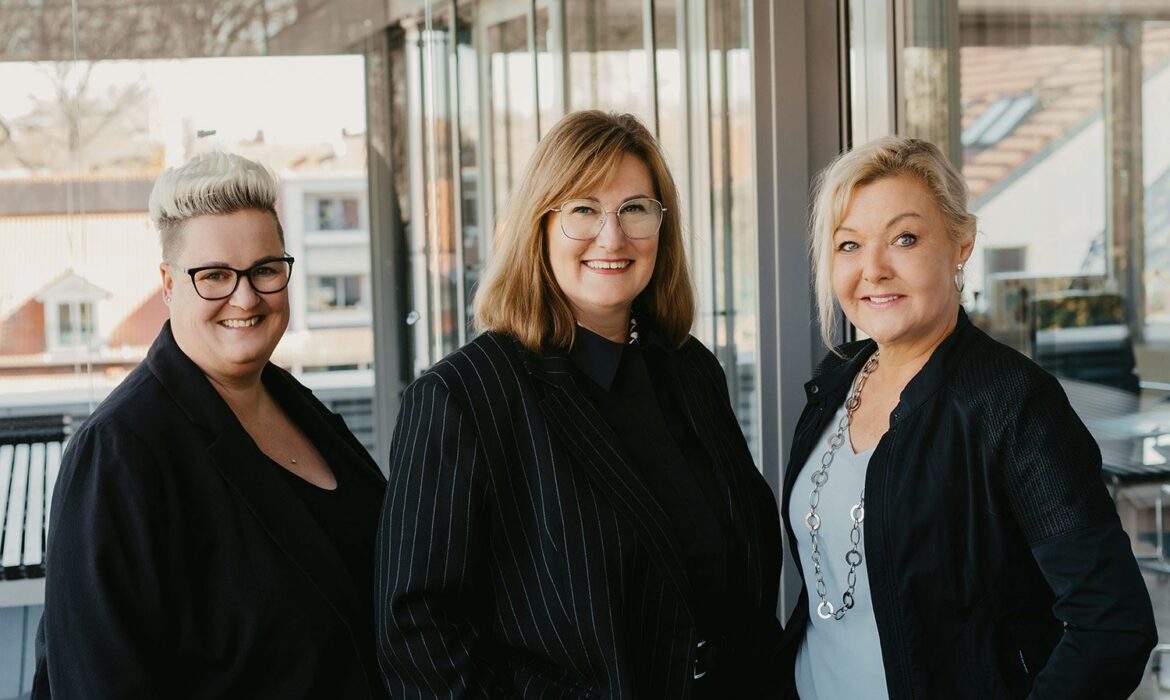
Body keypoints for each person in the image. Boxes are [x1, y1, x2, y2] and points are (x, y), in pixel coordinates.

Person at [376, 110, 784, 698]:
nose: (612, 237)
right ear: (539, 226)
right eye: (584, 210)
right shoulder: (463, 397)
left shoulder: (689, 369)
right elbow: (419, 637)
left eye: (635, 209)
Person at [780, 135, 1157, 698]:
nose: (873, 269)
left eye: (904, 239)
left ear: (961, 243)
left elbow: (1112, 624)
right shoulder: (837, 379)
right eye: (849, 244)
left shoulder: (1013, 403)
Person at [33, 152, 389, 699]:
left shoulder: (301, 407)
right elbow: (97, 682)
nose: (246, 297)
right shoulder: (119, 451)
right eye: (215, 275)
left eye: (265, 269)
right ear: (168, 284)